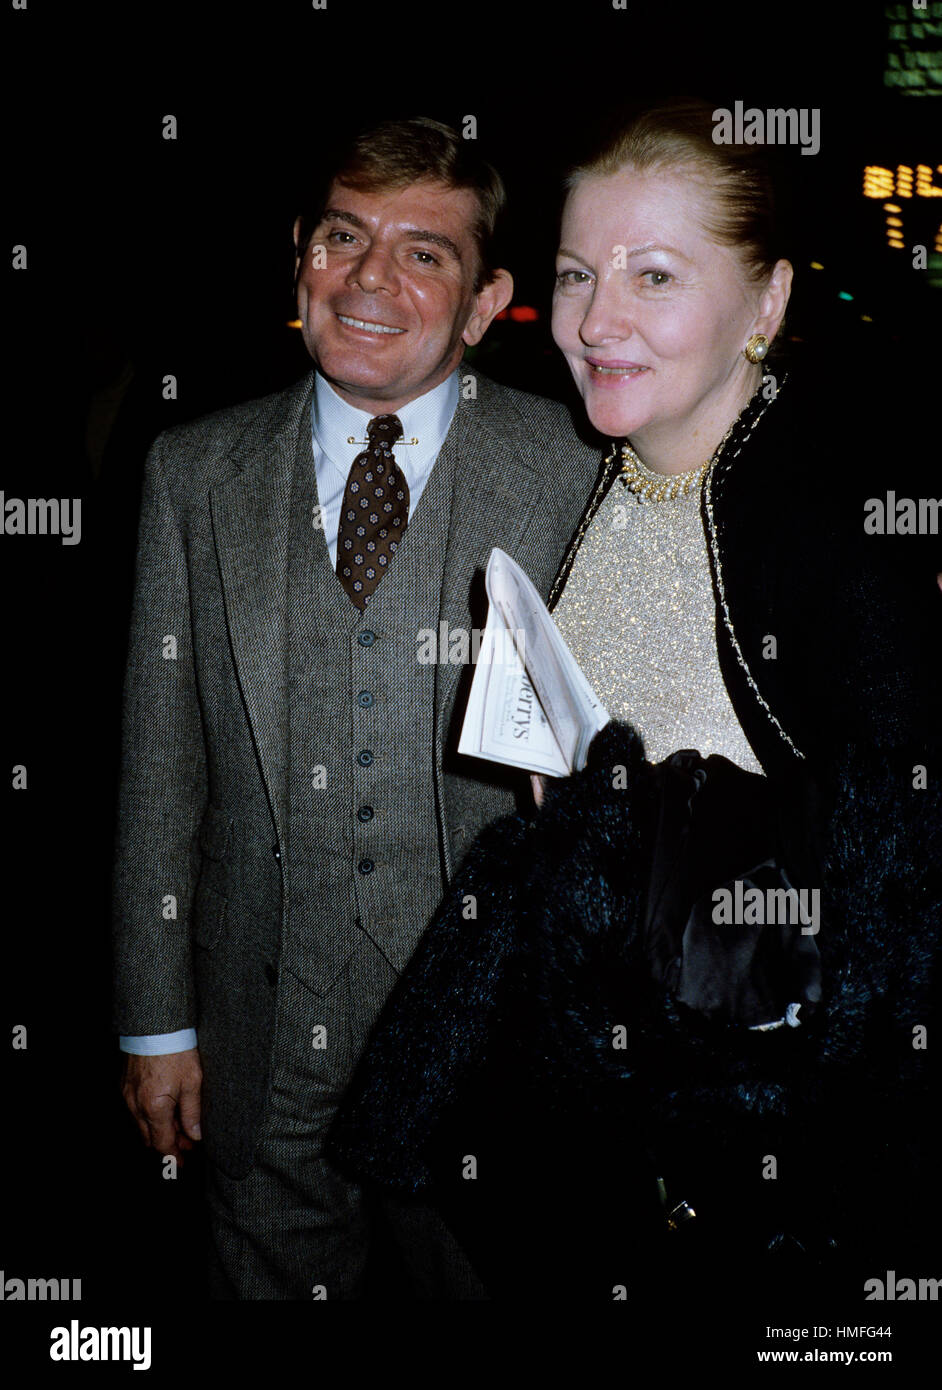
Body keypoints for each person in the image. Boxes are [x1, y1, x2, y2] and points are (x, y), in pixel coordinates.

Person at [328, 101, 942, 1304]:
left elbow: (904, 878)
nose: (594, 322)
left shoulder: (829, 531)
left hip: (739, 1162)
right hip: (590, 1124)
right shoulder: (616, 472)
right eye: (573, 275)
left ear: (766, 305)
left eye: (653, 276)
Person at [112, 116, 602, 1300]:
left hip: (485, 1045)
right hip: (260, 1022)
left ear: (487, 302)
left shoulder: (577, 470)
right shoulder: (193, 469)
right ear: (300, 255)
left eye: (424, 253)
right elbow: (159, 764)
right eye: (345, 237)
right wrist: (155, 1024)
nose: (371, 278)